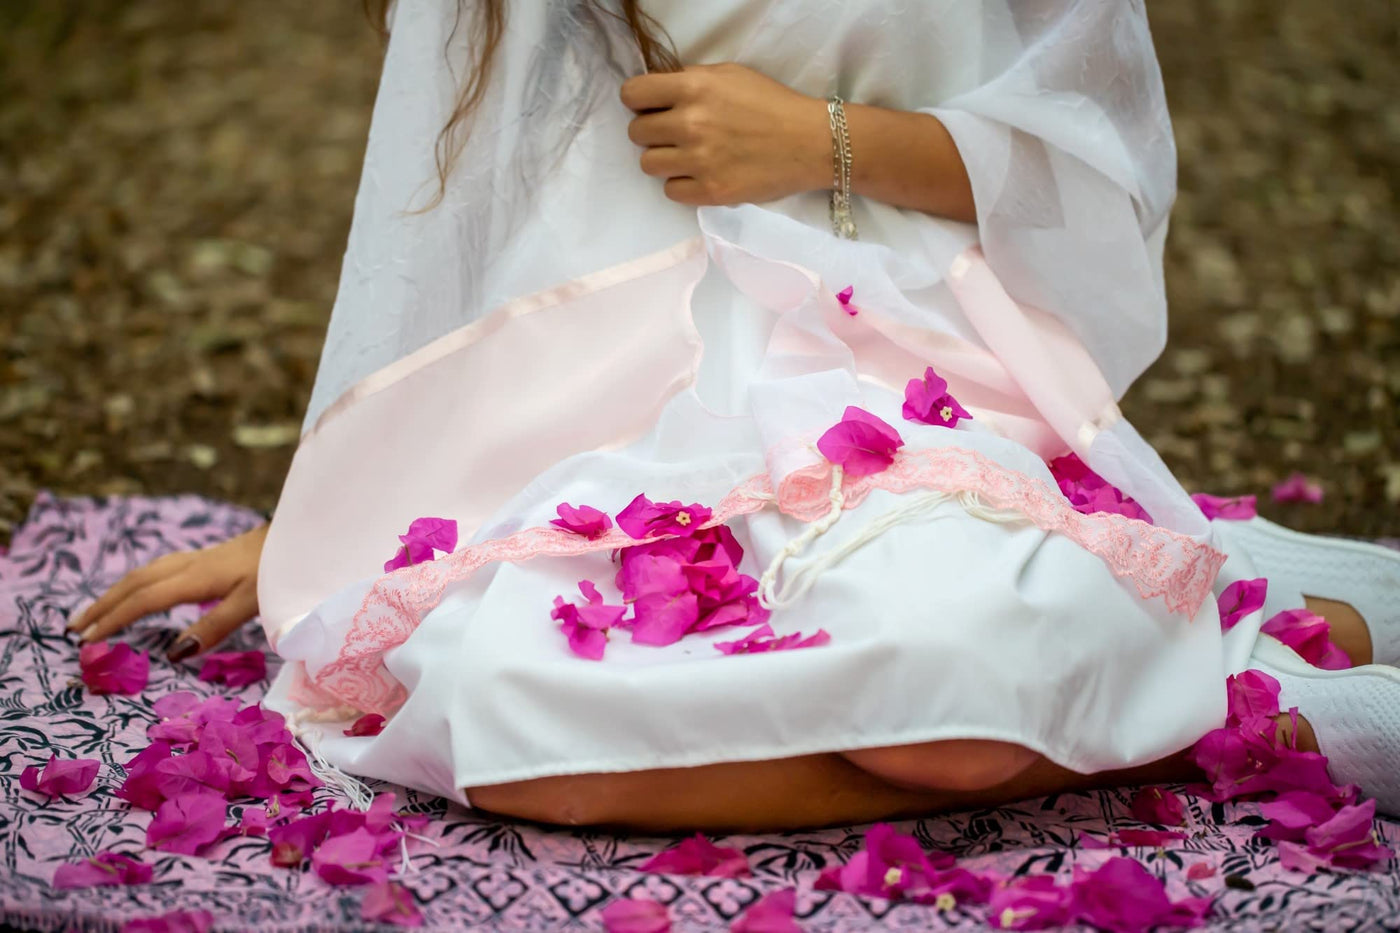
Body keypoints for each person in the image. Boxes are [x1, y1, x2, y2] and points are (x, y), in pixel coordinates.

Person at [68, 0, 1400, 832]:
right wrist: (338, 521)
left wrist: (826, 139)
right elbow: (472, 249)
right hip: (632, 405)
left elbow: (1094, 166)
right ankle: (1194, 701)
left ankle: (1228, 693)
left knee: (938, 648)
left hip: (884, 358)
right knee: (490, 711)